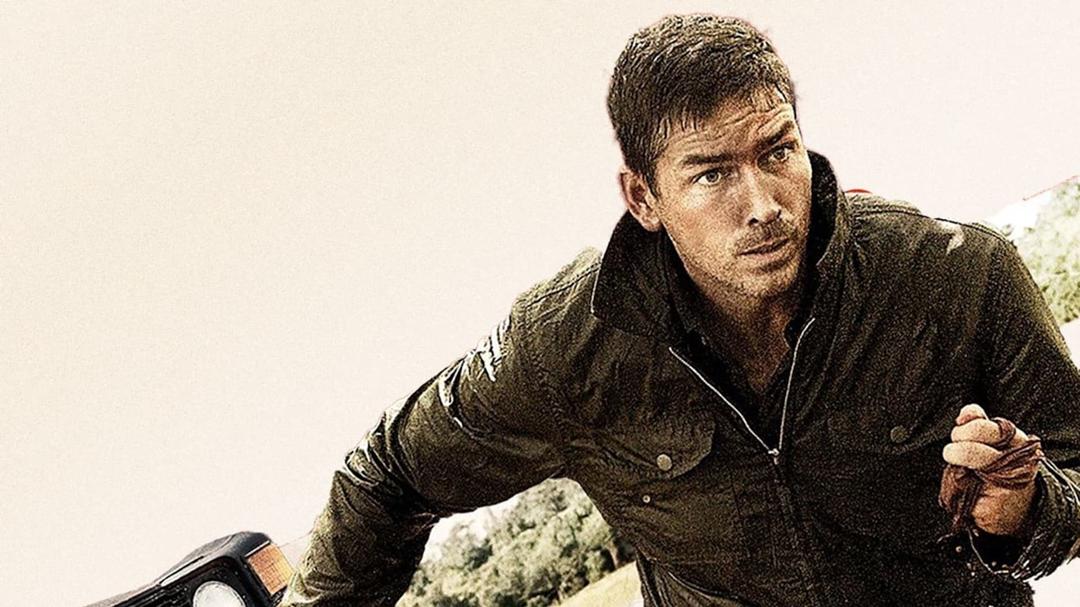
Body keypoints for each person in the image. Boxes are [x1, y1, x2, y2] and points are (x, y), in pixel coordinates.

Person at [281, 14, 1080, 606]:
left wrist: (1026, 509)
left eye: (777, 150)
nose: (763, 204)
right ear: (643, 197)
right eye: (711, 174)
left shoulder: (956, 273)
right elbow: (388, 474)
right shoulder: (566, 348)